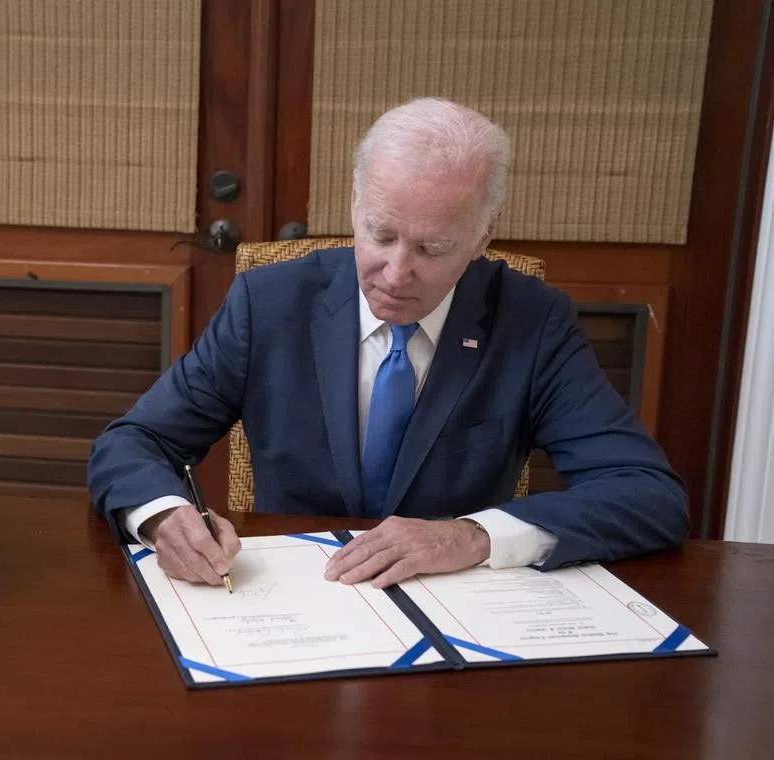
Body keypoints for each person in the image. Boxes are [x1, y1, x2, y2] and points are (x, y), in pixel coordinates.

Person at [87, 97, 688, 589]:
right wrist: (163, 516)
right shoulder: (268, 302)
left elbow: (647, 496)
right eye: (381, 234)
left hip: (453, 608)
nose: (396, 274)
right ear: (354, 203)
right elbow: (135, 441)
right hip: (294, 601)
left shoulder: (532, 321)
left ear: (483, 237)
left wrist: (468, 536)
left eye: (432, 249)